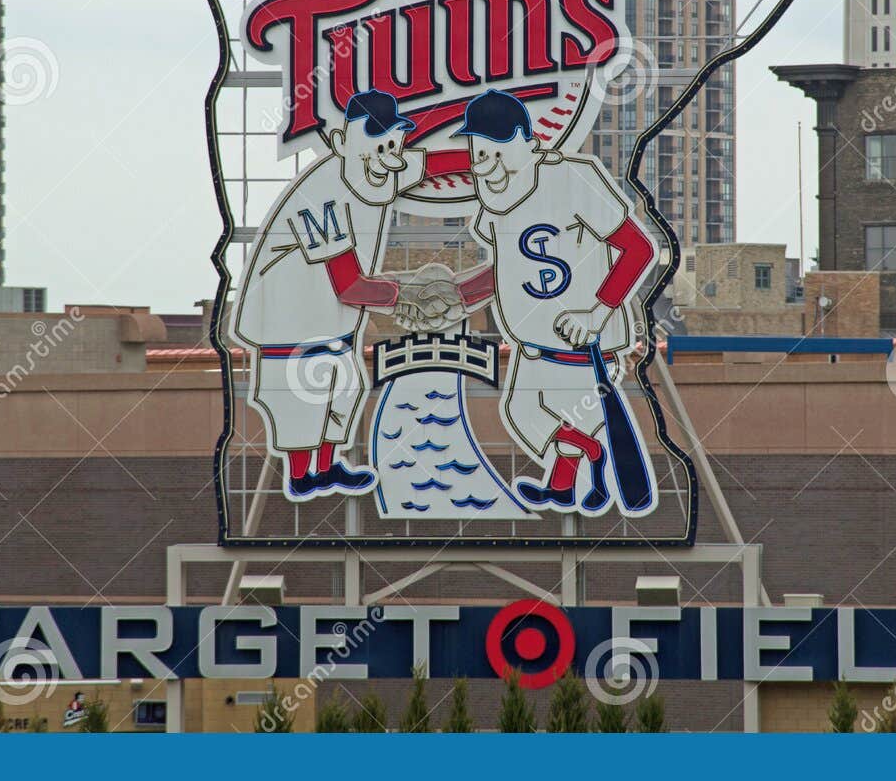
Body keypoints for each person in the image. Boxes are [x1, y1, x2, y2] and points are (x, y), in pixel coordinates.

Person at [232, 89, 469, 499]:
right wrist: (412, 292)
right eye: (378, 142)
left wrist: (497, 159)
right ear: (342, 143)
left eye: (394, 142)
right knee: (304, 404)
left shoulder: (380, 165)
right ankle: (303, 475)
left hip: (329, 325)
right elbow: (349, 285)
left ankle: (324, 469)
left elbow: (433, 163)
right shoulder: (320, 193)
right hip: (286, 326)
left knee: (346, 390)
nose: (390, 152)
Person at [447, 88, 657, 514]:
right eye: (479, 155)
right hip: (532, 346)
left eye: (497, 152)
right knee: (525, 414)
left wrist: (596, 313)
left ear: (529, 143)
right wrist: (457, 297)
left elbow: (638, 250)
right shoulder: (496, 202)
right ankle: (570, 481)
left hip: (581, 348)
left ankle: (584, 466)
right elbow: (509, 272)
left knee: (553, 416)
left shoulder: (573, 178)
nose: (488, 167)